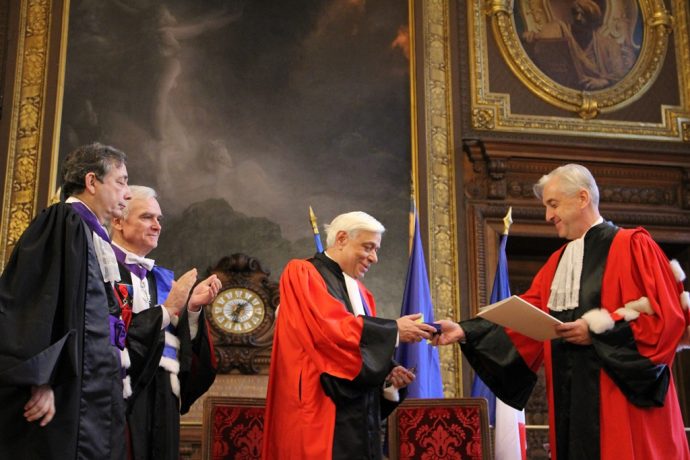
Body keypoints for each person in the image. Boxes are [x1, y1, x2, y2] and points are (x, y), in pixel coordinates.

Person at [435, 164, 690, 460]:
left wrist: (595, 333)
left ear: (582, 198)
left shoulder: (633, 245)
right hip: (570, 402)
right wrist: (466, 330)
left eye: (553, 205)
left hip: (622, 405)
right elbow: (525, 318)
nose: (548, 216)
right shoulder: (557, 261)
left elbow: (665, 320)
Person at [262, 211, 438, 460]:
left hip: (359, 422)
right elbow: (329, 329)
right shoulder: (302, 272)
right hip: (318, 409)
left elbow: (358, 353)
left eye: (376, 249)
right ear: (342, 238)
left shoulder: (363, 295)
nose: (374, 258)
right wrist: (394, 331)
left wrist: (387, 378)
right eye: (368, 247)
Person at [0, 142, 132, 459]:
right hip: (64, 396)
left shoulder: (93, 235)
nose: (127, 193)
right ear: (91, 182)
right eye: (121, 181)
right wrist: (39, 381)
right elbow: (33, 303)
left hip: (96, 395)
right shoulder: (62, 222)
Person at [109, 185, 220, 459]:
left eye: (159, 219)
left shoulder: (160, 279)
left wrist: (192, 309)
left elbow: (186, 358)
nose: (157, 225)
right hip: (120, 394)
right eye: (147, 217)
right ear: (118, 221)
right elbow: (106, 337)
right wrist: (170, 307)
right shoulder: (101, 268)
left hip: (161, 397)